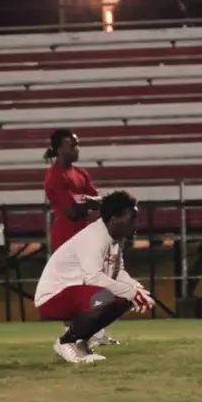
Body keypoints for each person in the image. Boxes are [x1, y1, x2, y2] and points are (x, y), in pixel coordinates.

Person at [33, 190, 153, 364]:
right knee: (107, 296)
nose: (136, 224)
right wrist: (130, 291)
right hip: (52, 298)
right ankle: (66, 342)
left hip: (75, 293)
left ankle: (80, 342)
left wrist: (136, 288)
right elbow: (94, 278)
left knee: (124, 299)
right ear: (114, 219)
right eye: (132, 219)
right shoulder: (94, 237)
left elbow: (117, 272)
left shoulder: (115, 236)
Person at [43, 129, 120, 350]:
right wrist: (91, 202)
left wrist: (90, 202)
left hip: (84, 236)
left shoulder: (80, 173)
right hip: (67, 237)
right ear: (59, 149)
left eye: (77, 144)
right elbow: (72, 211)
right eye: (72, 145)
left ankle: (95, 332)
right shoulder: (55, 176)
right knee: (74, 287)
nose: (77, 149)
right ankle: (71, 336)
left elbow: (100, 201)